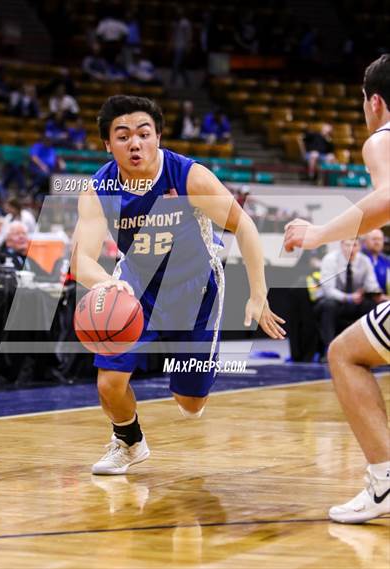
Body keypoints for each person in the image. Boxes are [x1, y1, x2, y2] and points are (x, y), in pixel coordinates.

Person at [72, 95, 286, 475]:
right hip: (136, 287)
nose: (134, 143)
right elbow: (83, 260)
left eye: (143, 133)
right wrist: (108, 284)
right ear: (107, 144)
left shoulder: (189, 176)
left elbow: (245, 226)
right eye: (122, 136)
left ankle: (191, 392)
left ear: (158, 137)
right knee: (109, 382)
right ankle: (128, 442)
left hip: (196, 291)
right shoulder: (98, 188)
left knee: (190, 405)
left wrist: (258, 294)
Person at [284, 54, 390, 523]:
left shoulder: (382, 138)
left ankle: (385, 482)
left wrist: (319, 232)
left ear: (375, 102)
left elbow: (387, 197)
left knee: (345, 354)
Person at [315, 238, 381, 351]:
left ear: (360, 247)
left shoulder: (365, 261)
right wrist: (348, 298)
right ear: (341, 245)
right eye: (347, 245)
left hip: (356, 300)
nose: (351, 248)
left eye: (354, 245)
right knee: (329, 305)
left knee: (372, 305)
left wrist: (374, 293)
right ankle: (330, 349)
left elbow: (372, 284)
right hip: (333, 301)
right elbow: (328, 290)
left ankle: (369, 349)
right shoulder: (330, 259)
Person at [362, 229, 390, 297]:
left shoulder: (386, 260)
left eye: (380, 239)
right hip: (365, 299)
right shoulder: (359, 258)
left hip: (384, 298)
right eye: (374, 239)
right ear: (365, 241)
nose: (377, 242)